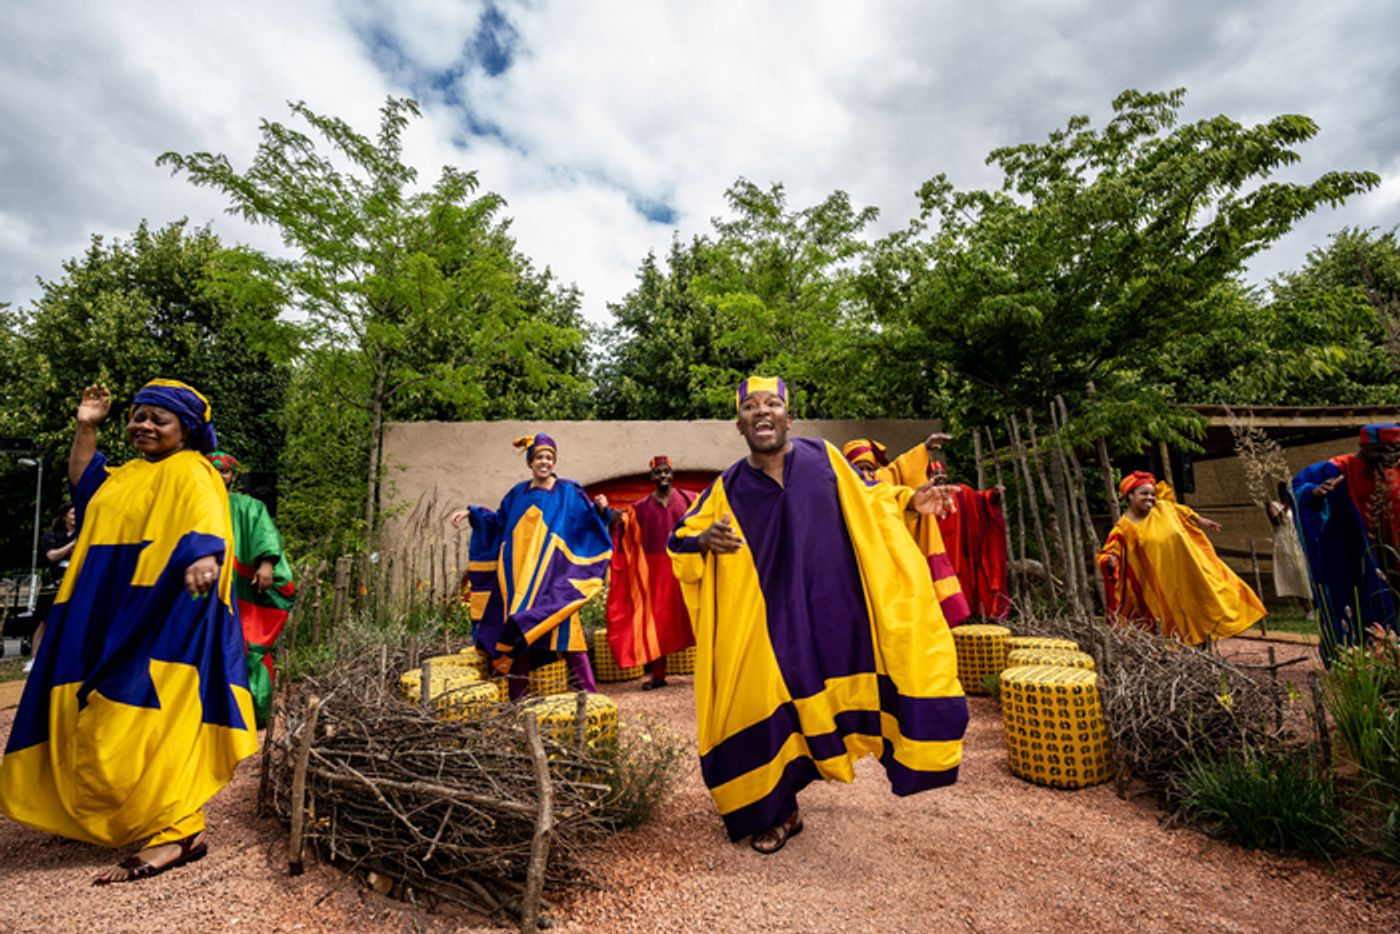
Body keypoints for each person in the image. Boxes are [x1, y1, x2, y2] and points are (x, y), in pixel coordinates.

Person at [669, 378, 968, 854]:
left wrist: (912, 501)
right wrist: (703, 542)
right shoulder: (727, 486)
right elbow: (680, 537)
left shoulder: (824, 458)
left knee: (856, 683)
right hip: (768, 626)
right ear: (739, 423)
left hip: (832, 611)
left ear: (788, 416)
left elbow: (870, 498)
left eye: (773, 404)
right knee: (762, 704)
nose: (762, 412)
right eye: (750, 406)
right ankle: (779, 811)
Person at [0, 380, 257, 885]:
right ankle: (105, 813)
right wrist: (86, 426)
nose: (143, 425)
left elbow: (207, 521)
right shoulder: (126, 475)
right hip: (100, 613)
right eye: (138, 416)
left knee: (145, 720)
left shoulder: (194, 470)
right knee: (82, 710)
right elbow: (85, 486)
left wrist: (204, 556)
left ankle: (180, 830)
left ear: (186, 429)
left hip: (160, 617)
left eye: (158, 419)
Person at [449, 434, 611, 699]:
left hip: (555, 582)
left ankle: (591, 697)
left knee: (570, 637)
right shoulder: (516, 494)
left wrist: (602, 510)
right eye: (539, 457)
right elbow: (498, 522)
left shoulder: (569, 491)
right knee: (519, 636)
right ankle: (517, 703)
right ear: (530, 461)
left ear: (554, 461)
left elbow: (587, 522)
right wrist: (474, 513)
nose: (544, 462)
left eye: (549, 457)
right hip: (519, 582)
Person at [1097, 470, 1265, 645]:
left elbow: (1183, 512)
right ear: (1130, 495)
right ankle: (1175, 652)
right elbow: (1110, 551)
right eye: (1144, 494)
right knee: (1170, 619)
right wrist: (1110, 561)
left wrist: (1201, 520)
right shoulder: (1124, 527)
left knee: (1203, 605)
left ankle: (1202, 646)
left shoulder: (1164, 508)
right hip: (1159, 584)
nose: (1150, 498)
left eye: (1152, 494)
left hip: (1189, 571)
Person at [1292, 424, 1400, 657]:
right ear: (1365, 446)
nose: (1389, 457)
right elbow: (1298, 488)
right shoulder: (1337, 468)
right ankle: (1350, 660)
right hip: (1351, 556)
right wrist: (1314, 493)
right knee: (1356, 610)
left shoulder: (1392, 470)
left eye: (1395, 450)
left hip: (1391, 557)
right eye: (1383, 450)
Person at [207, 451, 296, 727]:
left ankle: (251, 713)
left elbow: (265, 534)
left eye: (224, 471)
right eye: (212, 469)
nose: (218, 475)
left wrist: (266, 564)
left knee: (246, 648)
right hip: (201, 594)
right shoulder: (188, 504)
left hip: (241, 594)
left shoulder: (247, 506)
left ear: (233, 476)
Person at [841, 437, 971, 626]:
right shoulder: (840, 491)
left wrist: (923, 448)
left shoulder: (881, 484)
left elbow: (900, 489)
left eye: (870, 468)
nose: (866, 474)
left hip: (889, 568)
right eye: (860, 469)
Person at [605, 455, 697, 690]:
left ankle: (712, 670)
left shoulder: (690, 499)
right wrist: (612, 516)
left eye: (666, 471)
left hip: (685, 564)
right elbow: (625, 525)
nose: (663, 475)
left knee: (697, 615)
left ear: (672, 474)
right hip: (655, 572)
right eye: (658, 472)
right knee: (658, 620)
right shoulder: (641, 507)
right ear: (652, 477)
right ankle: (658, 675)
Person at [928, 458, 1010, 620]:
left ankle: (969, 618)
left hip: (962, 551)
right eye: (935, 474)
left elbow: (981, 500)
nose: (940, 476)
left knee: (964, 584)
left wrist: (993, 495)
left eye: (942, 473)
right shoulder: (925, 498)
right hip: (938, 551)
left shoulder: (961, 491)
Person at [22, 503, 79, 673]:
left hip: (75, 581)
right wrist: (72, 545)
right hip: (53, 583)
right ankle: (35, 658)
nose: (75, 517)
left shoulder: (84, 533)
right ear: (64, 517)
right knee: (43, 621)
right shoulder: (52, 535)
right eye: (72, 514)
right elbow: (52, 555)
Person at [1265, 480, 1311, 609]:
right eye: (1284, 491)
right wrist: (1287, 506)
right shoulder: (1272, 505)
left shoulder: (1297, 505)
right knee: (1294, 572)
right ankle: (1306, 608)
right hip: (1284, 541)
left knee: (1305, 570)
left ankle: (1315, 604)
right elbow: (1277, 522)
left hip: (1297, 539)